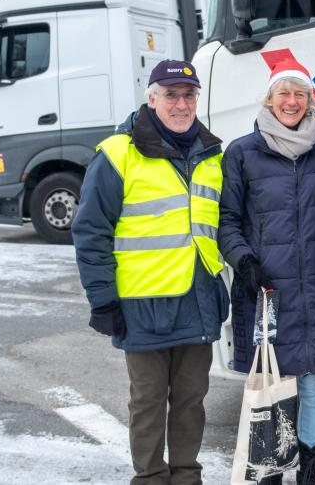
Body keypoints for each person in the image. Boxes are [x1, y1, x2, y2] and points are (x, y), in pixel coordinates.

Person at [72, 60, 228, 485]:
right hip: (142, 304)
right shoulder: (118, 154)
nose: (181, 104)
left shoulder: (213, 155)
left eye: (189, 95)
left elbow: (222, 225)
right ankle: (150, 478)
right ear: (152, 97)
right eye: (171, 94)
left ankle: (186, 477)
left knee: (192, 401)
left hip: (198, 300)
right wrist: (102, 299)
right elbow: (90, 232)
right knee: (148, 401)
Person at [218, 57, 315, 484]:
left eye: (299, 94)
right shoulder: (242, 152)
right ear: (269, 98)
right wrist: (244, 260)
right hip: (265, 289)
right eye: (283, 93)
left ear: (310, 100)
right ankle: (271, 470)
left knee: (313, 380)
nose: (291, 101)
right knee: (273, 384)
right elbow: (227, 220)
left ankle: (308, 468)